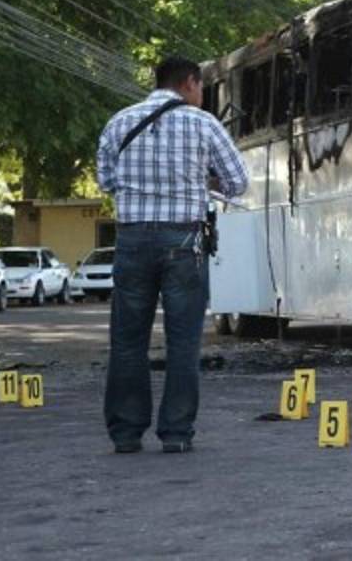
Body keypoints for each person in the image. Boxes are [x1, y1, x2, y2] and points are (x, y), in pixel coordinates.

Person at [97, 54, 248, 454]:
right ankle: (176, 433)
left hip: (131, 243)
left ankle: (126, 434)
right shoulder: (204, 124)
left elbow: (106, 180)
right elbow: (237, 182)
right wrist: (201, 181)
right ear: (191, 83)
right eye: (201, 88)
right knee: (183, 342)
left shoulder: (120, 122)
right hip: (184, 244)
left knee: (128, 341)